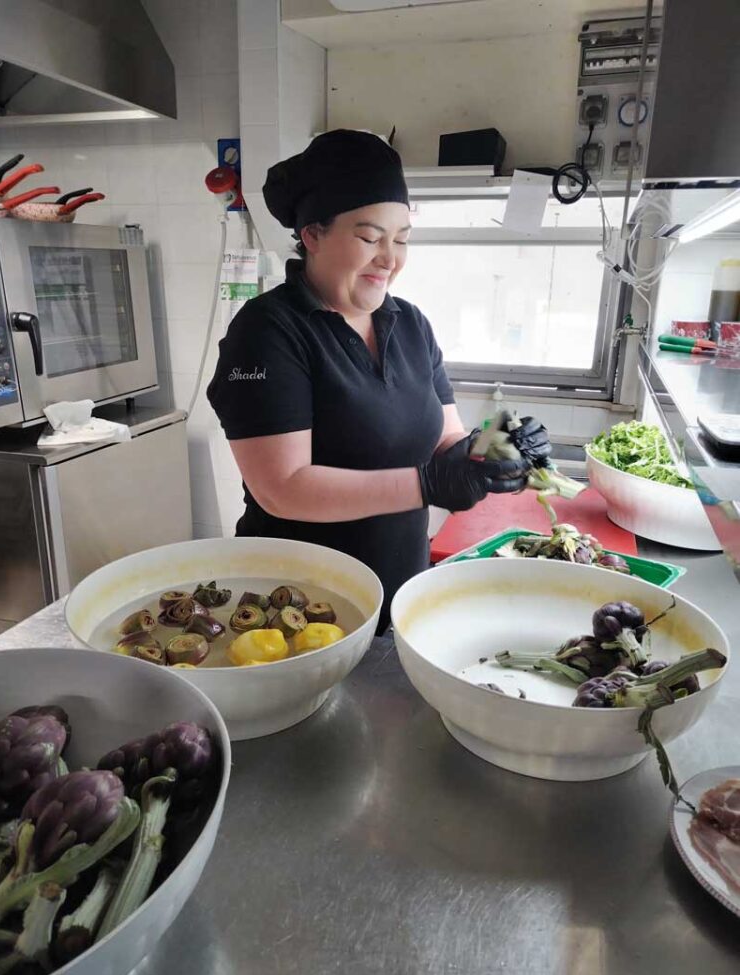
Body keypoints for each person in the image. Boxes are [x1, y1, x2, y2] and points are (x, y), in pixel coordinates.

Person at [207, 129, 550, 634]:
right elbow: (284, 489)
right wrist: (427, 484)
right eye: (370, 237)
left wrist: (492, 447)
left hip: (398, 593)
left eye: (402, 239)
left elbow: (444, 439)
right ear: (313, 234)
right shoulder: (267, 331)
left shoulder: (409, 323)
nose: (391, 258)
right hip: (297, 611)